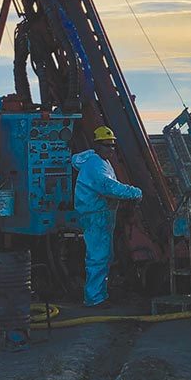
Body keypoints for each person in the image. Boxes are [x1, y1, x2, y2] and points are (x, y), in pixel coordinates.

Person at [71, 126, 142, 308]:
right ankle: (94, 299)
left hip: (100, 215)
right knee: (98, 257)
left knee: (103, 256)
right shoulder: (95, 164)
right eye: (106, 145)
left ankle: (99, 294)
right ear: (97, 146)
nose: (110, 149)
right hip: (96, 216)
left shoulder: (102, 162)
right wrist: (134, 192)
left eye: (112, 145)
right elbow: (108, 186)